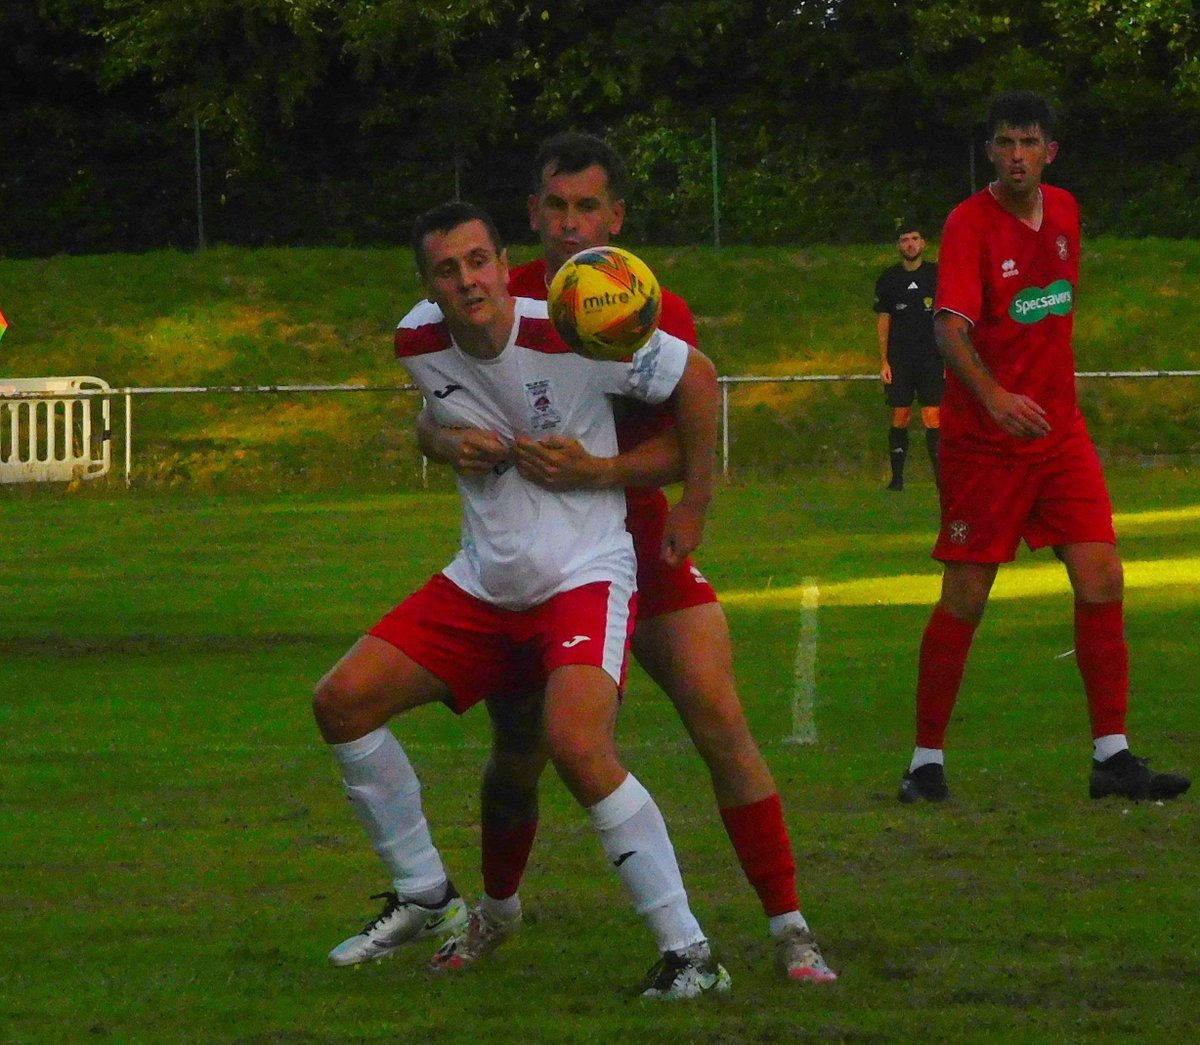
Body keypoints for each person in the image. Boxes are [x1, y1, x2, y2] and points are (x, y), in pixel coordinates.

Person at [418, 133, 836, 984]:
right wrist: (442, 439)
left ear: (616, 217)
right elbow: (433, 408)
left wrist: (676, 498)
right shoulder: (495, 296)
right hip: (540, 564)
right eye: (555, 207)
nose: (570, 225)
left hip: (640, 542)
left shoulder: (648, 305)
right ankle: (497, 910)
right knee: (517, 749)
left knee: (719, 719)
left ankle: (791, 926)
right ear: (531, 214)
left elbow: (690, 427)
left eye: (587, 208)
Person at [316, 201, 733, 1000]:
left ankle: (690, 953)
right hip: (483, 582)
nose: (468, 281)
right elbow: (429, 419)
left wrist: (694, 504)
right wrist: (445, 441)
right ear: (427, 286)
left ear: (505, 265)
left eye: (479, 261)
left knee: (576, 743)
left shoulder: (575, 327)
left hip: (582, 574)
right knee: (341, 701)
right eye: (448, 270)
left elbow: (699, 379)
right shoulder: (416, 341)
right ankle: (426, 893)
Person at [896, 90, 1190, 804]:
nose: (1017, 155)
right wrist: (996, 398)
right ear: (990, 152)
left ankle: (1112, 757)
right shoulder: (968, 223)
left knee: (1103, 576)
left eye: (1029, 142)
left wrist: (1041, 399)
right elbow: (948, 331)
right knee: (966, 597)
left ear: (1050, 152)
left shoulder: (1066, 213)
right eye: (1005, 143)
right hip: (985, 443)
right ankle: (924, 764)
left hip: (1059, 435)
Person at [874, 225, 943, 490]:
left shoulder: (936, 275)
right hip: (900, 359)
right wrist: (884, 361)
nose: (910, 244)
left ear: (923, 243)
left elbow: (947, 317)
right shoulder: (889, 278)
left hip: (931, 358)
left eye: (915, 239)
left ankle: (941, 479)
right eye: (905, 240)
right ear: (899, 245)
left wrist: (949, 356)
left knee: (932, 416)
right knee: (900, 414)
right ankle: (897, 480)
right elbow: (884, 320)